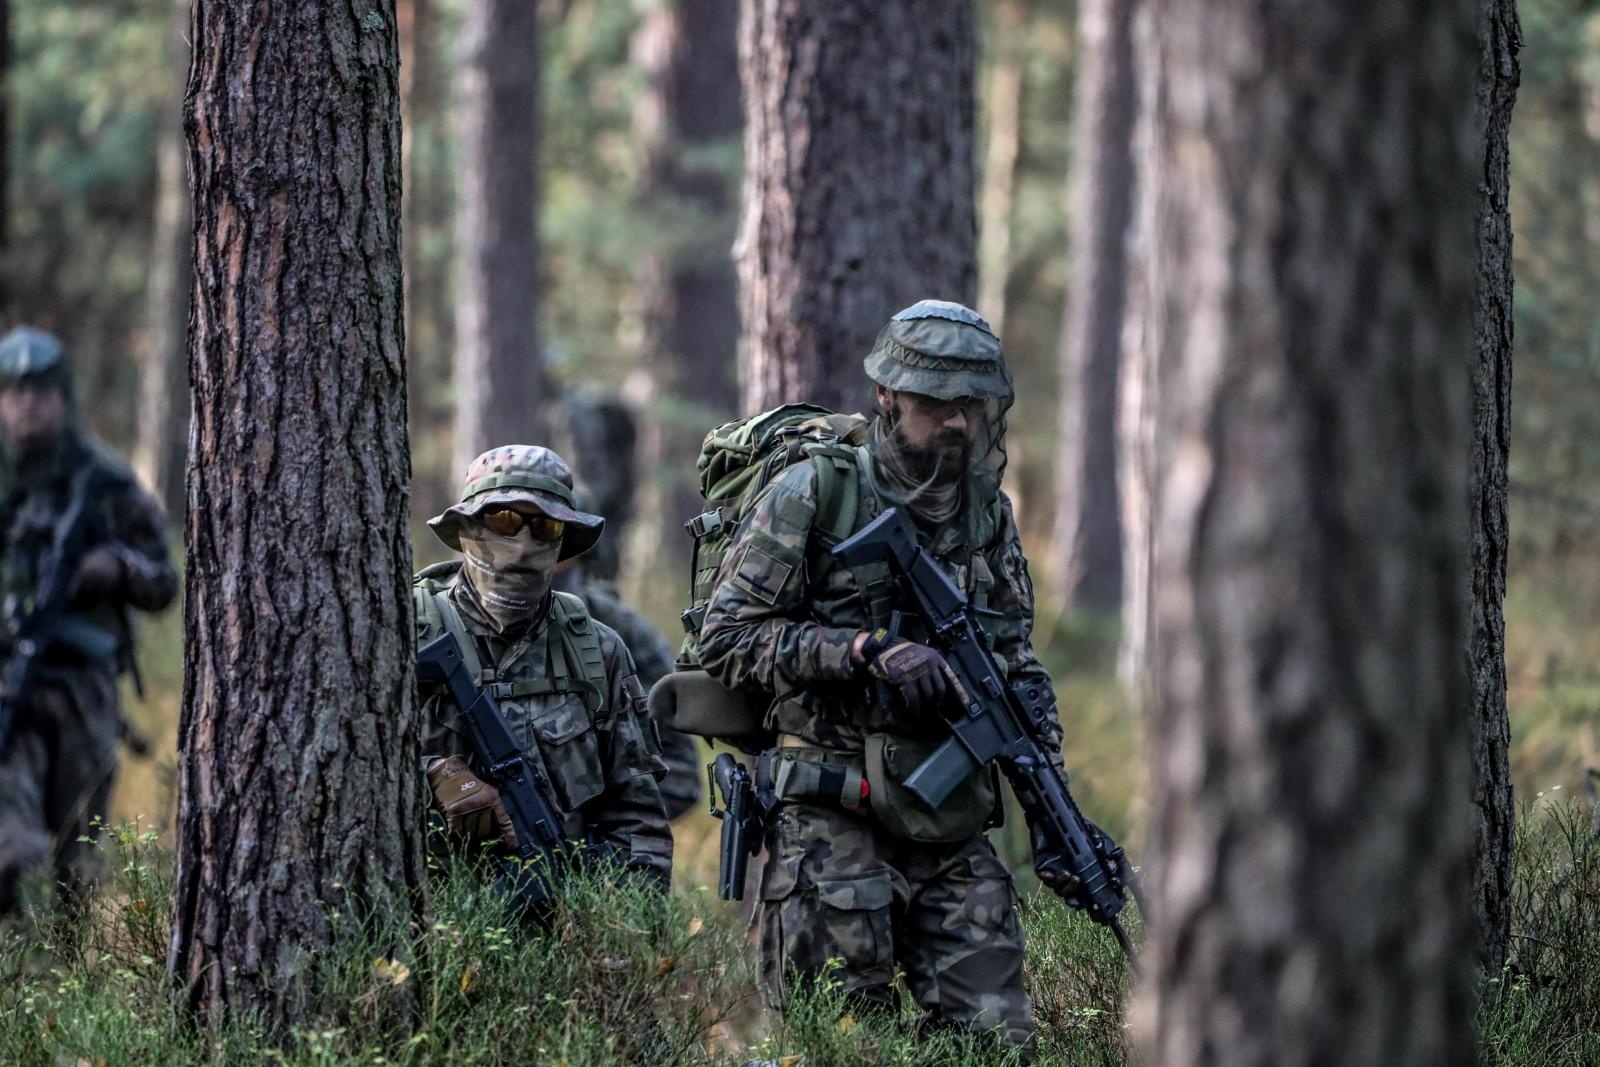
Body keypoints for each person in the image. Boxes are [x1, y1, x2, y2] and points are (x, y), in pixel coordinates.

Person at [697, 300, 1055, 1051]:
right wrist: (864, 649)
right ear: (888, 396)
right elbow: (726, 638)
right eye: (936, 403)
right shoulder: (813, 491)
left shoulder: (986, 515)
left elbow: (1015, 658)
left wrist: (1049, 790)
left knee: (997, 1040)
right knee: (845, 1042)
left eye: (972, 405)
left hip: (949, 821)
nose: (957, 422)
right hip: (833, 821)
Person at [413, 445, 673, 892]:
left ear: (562, 543)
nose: (522, 546)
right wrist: (432, 774)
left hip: (561, 912)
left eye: (545, 527)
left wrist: (622, 921)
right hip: (422, 913)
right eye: (503, 520)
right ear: (468, 528)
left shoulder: (596, 651)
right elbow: (338, 772)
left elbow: (638, 821)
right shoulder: (403, 633)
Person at [0, 326, 177, 915]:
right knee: (13, 851)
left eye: (41, 390)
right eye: (15, 390)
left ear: (63, 396)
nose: (28, 403)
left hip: (85, 690)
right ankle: (24, 957)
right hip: (8, 687)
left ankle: (70, 960)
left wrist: (114, 568)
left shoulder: (104, 480)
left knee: (80, 862)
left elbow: (162, 581)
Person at [551, 497, 702, 822]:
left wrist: (590, 821)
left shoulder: (621, 633)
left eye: (553, 538)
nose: (528, 554)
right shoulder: (452, 624)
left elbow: (680, 776)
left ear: (584, 553)